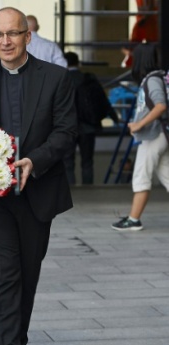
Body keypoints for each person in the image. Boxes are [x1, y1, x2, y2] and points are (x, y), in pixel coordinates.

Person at [0, 7, 76, 345]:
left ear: (27, 36)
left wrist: (34, 161)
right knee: (1, 278)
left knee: (25, 277)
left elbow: (66, 132)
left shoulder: (56, 77)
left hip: (37, 194)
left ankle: (14, 342)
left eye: (12, 33)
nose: (5, 41)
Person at [111, 43, 169, 231]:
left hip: (154, 135)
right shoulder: (160, 77)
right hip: (161, 134)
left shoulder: (151, 80)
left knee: (141, 177)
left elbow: (160, 106)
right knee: (166, 174)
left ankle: (134, 219)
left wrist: (138, 124)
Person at [63, 51, 119, 185]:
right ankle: (88, 189)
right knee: (87, 162)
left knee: (67, 162)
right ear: (78, 63)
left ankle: (71, 191)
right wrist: (113, 116)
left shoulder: (61, 79)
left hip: (67, 127)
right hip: (88, 126)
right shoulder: (88, 79)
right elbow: (102, 99)